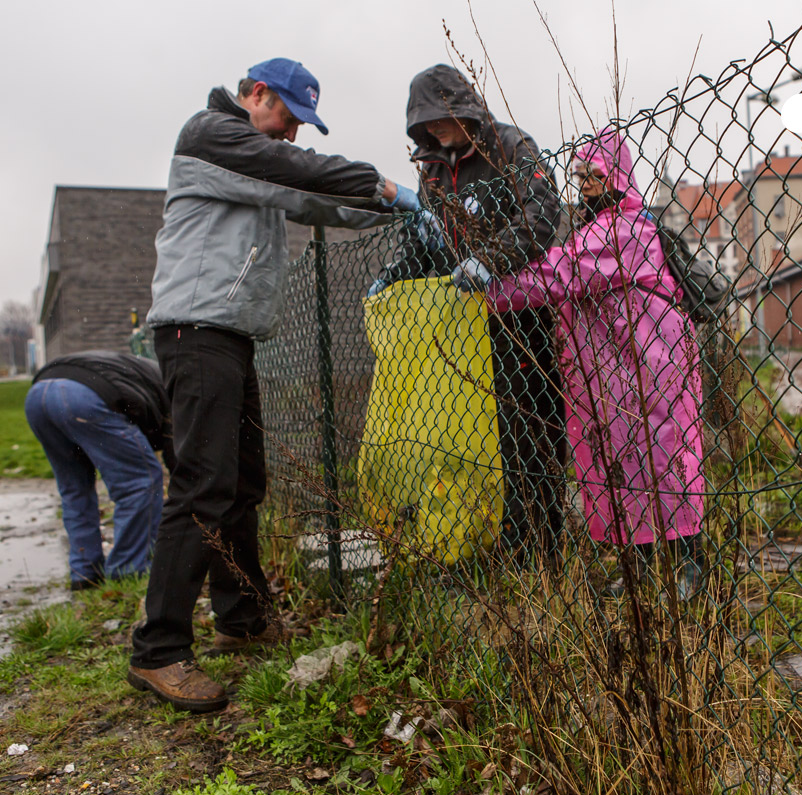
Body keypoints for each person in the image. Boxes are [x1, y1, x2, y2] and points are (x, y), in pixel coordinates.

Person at [129, 58, 421, 713]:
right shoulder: (213, 135)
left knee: (243, 483)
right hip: (195, 333)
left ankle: (242, 615)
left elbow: (308, 196)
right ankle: (159, 651)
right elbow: (301, 172)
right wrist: (385, 183)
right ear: (255, 94)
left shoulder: (252, 159)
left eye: (299, 124)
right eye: (287, 117)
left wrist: (390, 210)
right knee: (203, 486)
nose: (292, 135)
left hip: (225, 336)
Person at [452, 126, 706, 598]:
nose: (586, 182)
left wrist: (493, 285)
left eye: (595, 173)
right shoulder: (596, 228)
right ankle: (646, 571)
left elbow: (560, 273)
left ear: (618, 174)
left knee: (666, 458)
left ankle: (690, 563)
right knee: (628, 465)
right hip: (620, 370)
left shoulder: (628, 229)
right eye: (580, 174)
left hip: (652, 363)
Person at [406, 64, 565, 566]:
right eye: (424, 122)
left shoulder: (512, 147)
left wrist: (490, 259)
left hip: (526, 313)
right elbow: (424, 241)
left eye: (440, 117)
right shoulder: (432, 172)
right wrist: (399, 271)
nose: (433, 129)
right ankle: (500, 535)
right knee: (486, 430)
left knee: (532, 426)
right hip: (469, 322)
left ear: (462, 107)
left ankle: (539, 549)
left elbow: (541, 216)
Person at [25, 351, 173, 591]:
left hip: (38, 395)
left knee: (74, 489)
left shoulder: (141, 371)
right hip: (84, 395)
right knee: (140, 481)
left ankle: (84, 573)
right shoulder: (172, 391)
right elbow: (176, 450)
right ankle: (127, 572)